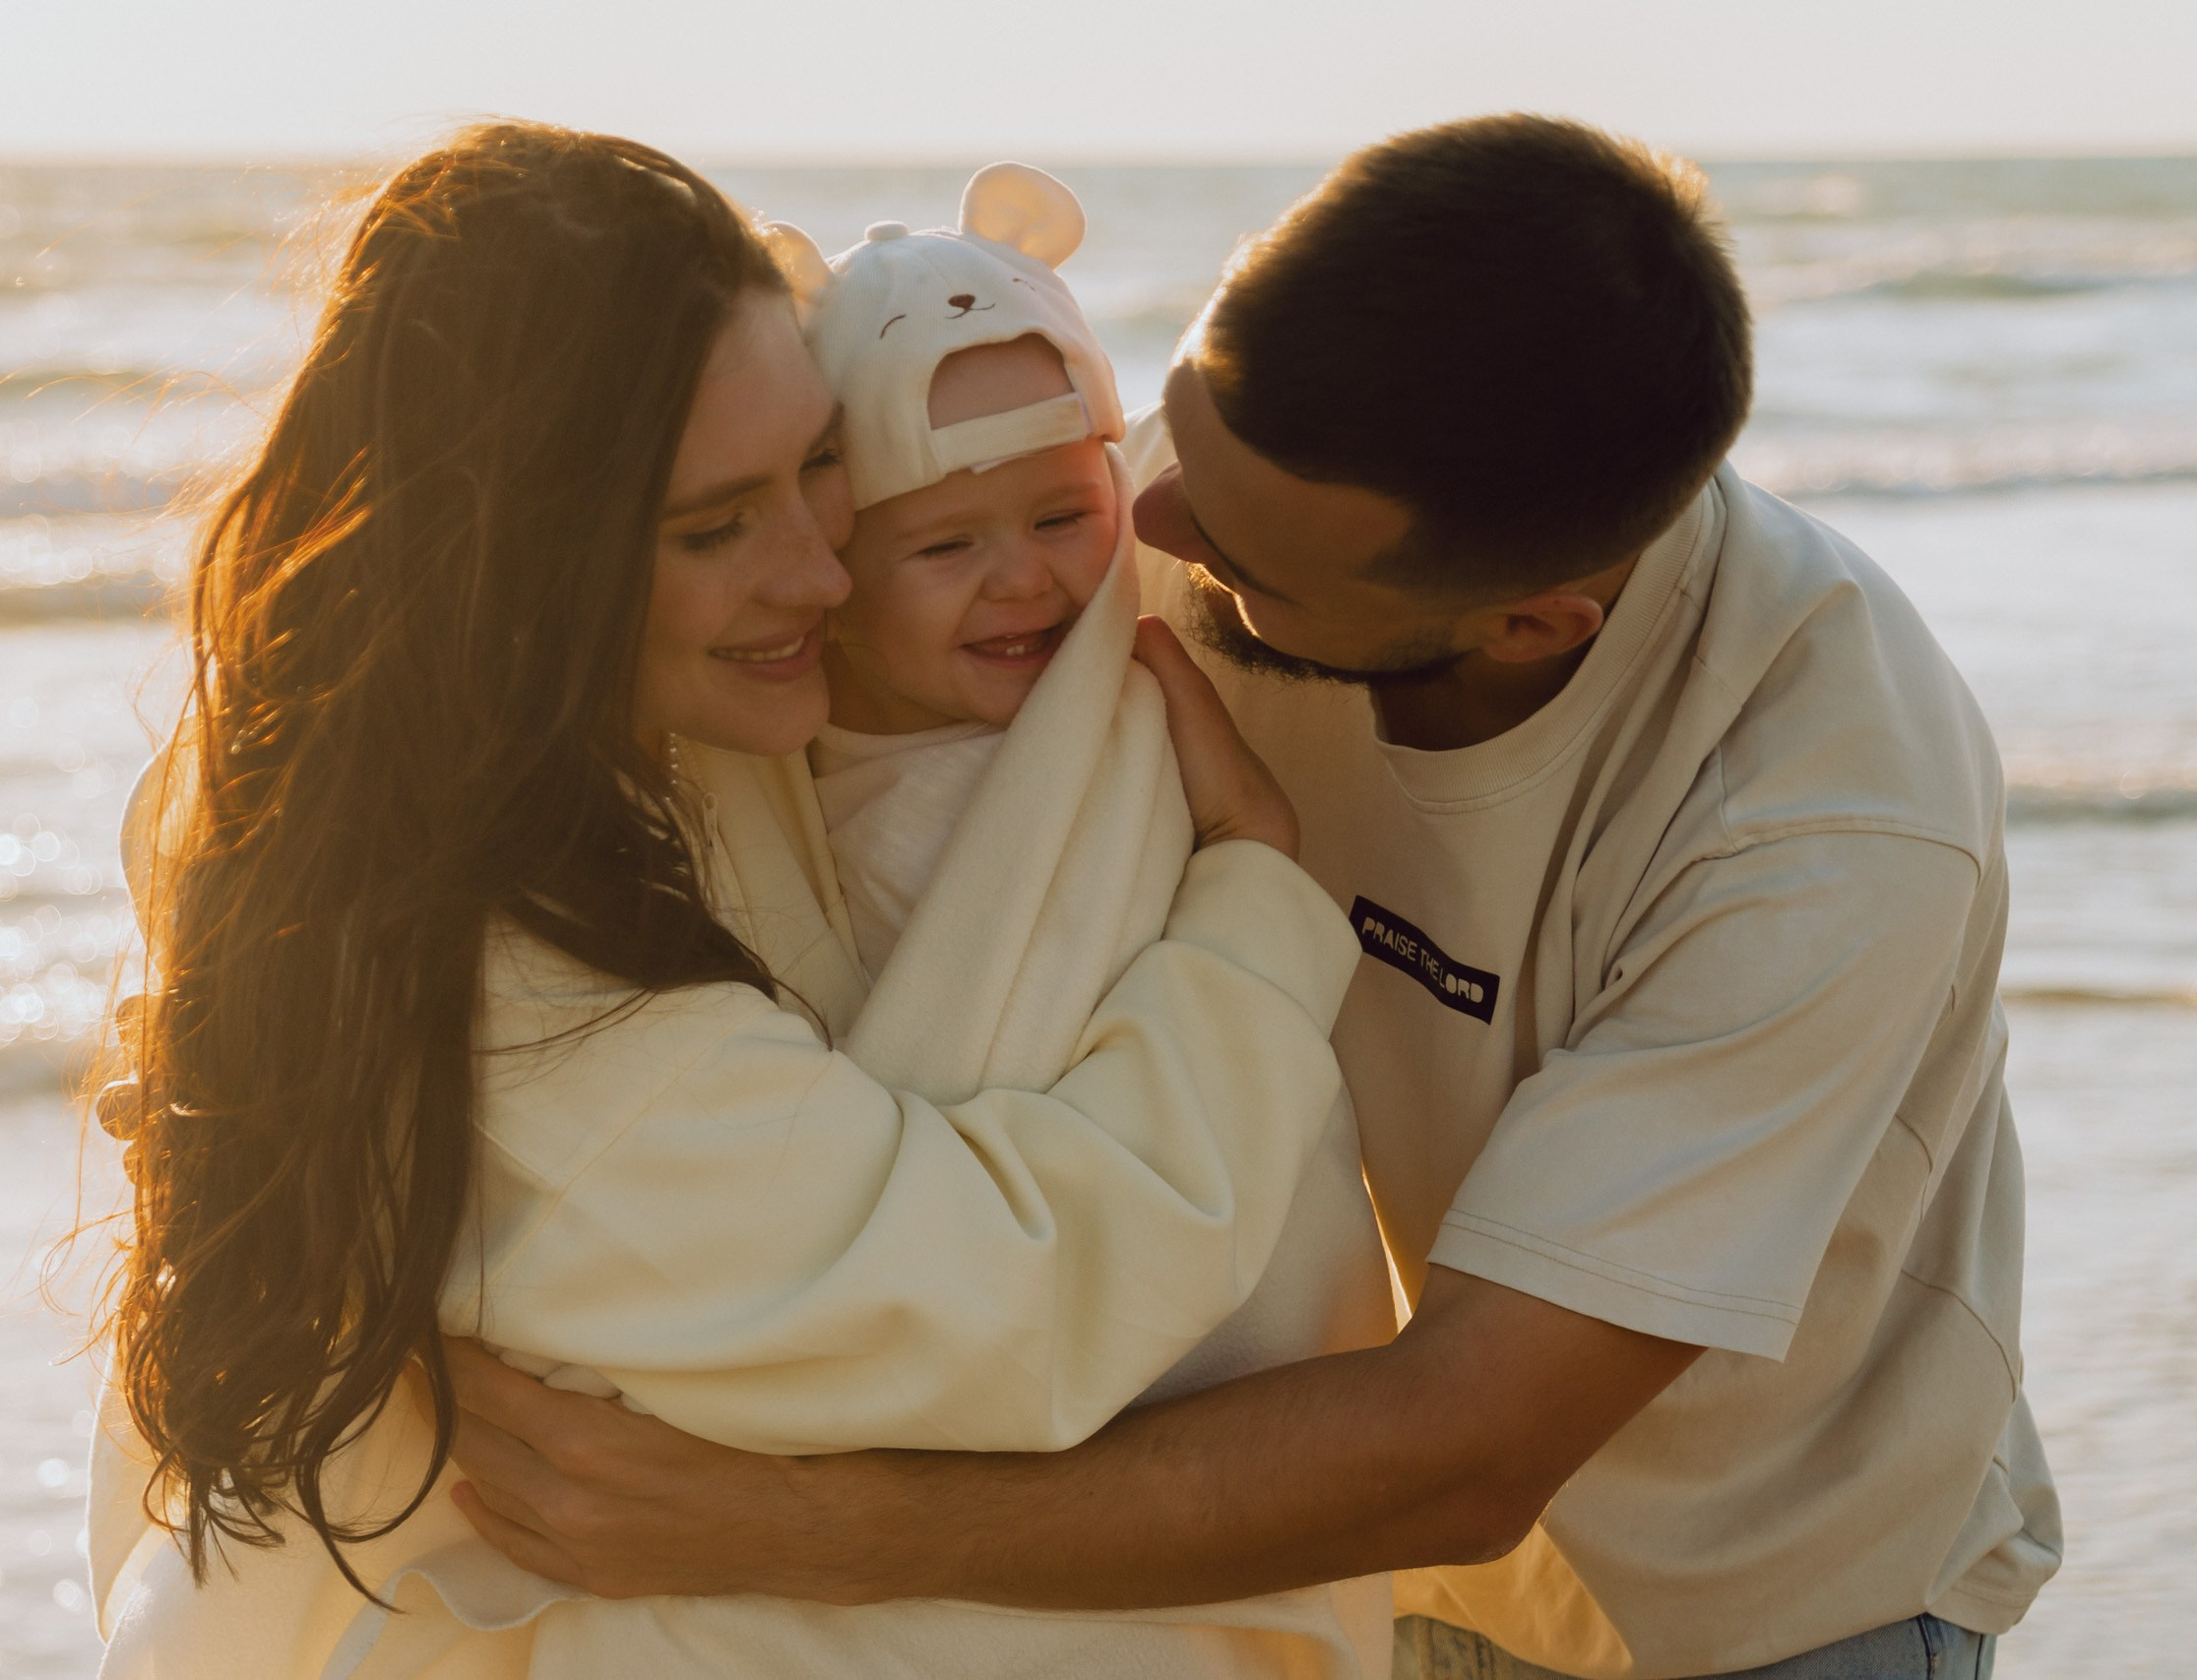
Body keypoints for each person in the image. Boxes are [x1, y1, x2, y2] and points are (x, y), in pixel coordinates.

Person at [439, 115, 2059, 1680]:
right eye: (1170, 431)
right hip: (1337, 1561)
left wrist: (791, 1526)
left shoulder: (1818, 827)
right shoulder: (1243, 489)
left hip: (1746, 1611)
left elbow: (1467, 1449)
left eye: (1234, 552)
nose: (1144, 524)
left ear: (1526, 627)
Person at [86, 124, 1387, 1679]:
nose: (826, 575)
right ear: (522, 555)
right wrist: (1255, 907)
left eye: (818, 470)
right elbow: (1004, 1294)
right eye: (718, 526)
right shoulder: (530, 1008)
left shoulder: (410, 781)